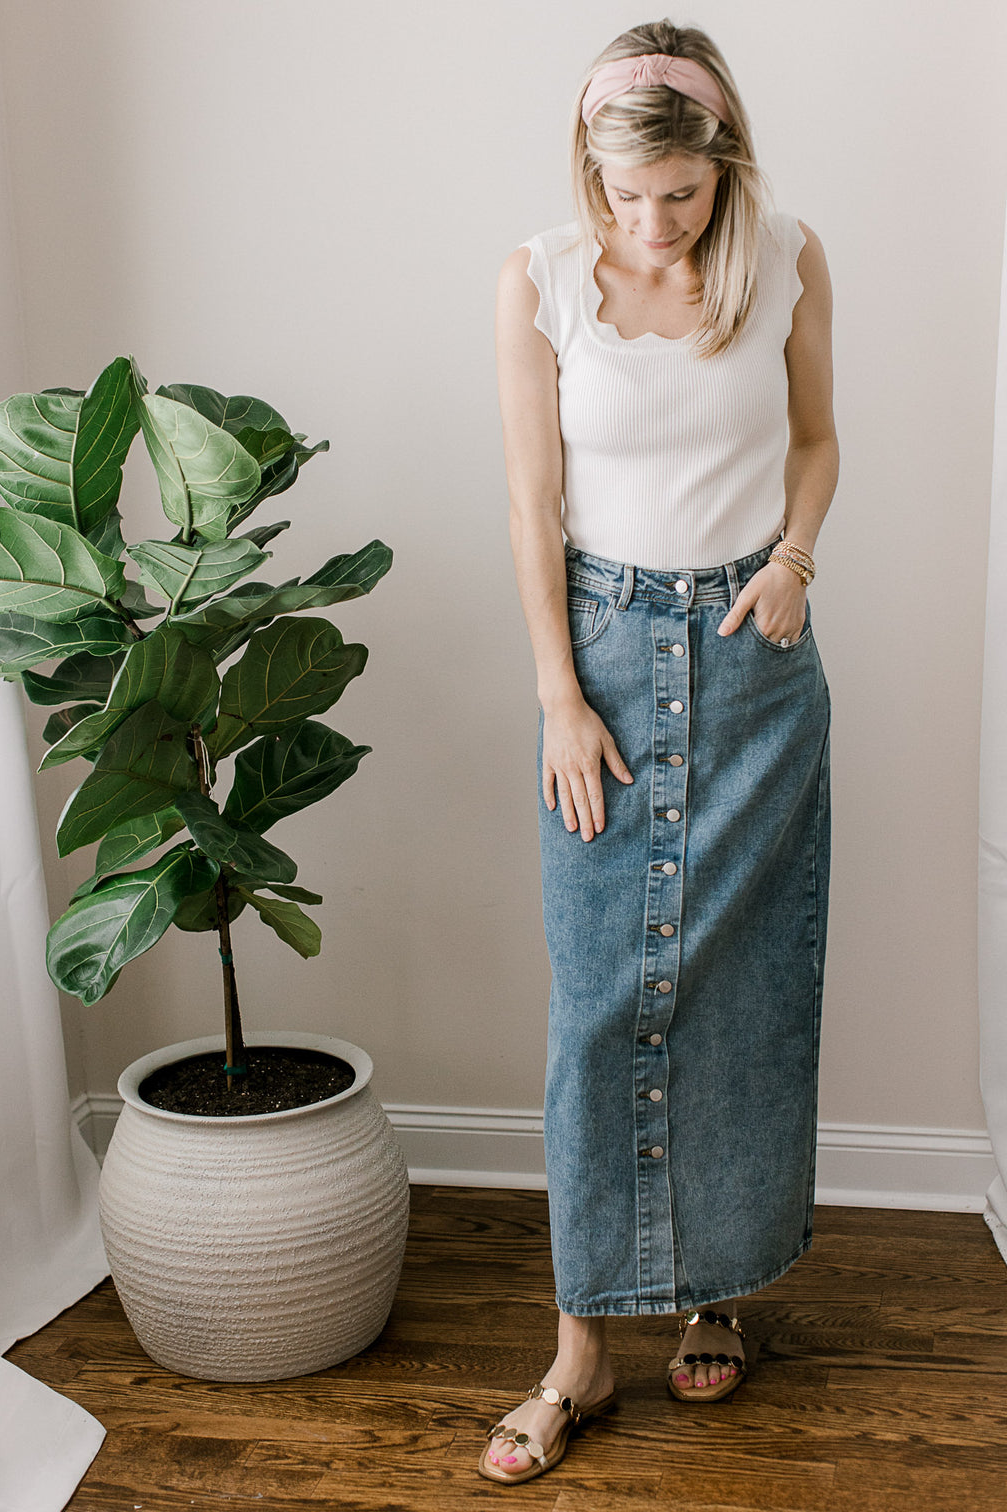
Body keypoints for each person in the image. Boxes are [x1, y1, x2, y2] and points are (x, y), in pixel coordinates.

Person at [484, 17, 836, 1486]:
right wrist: (559, 698)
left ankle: (715, 1292)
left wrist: (797, 559)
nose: (652, 220)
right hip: (608, 663)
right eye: (624, 193)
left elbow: (814, 442)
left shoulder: (790, 260)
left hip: (753, 660)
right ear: (591, 172)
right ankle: (579, 1352)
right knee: (596, 1006)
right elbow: (532, 505)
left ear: (723, 162)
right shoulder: (542, 279)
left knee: (740, 994)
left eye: (679, 192)